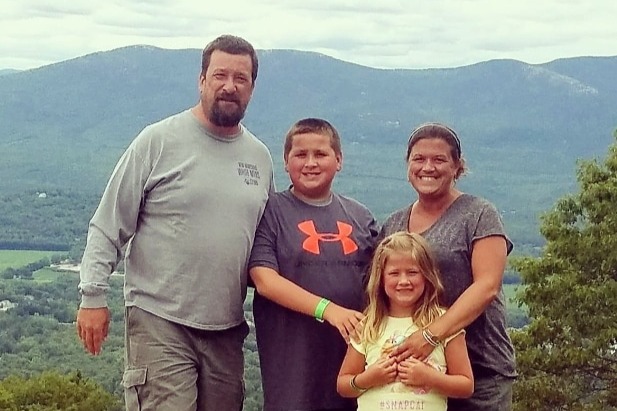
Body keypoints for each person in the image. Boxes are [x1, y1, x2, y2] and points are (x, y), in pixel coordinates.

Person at [76, 34, 274, 411]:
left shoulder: (259, 158)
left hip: (227, 328)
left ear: (252, 87)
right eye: (219, 75)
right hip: (160, 319)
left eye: (240, 78)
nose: (229, 86)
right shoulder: (158, 141)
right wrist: (92, 296)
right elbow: (108, 223)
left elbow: (268, 245)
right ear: (201, 80)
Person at [379, 122, 516, 410]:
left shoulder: (479, 214)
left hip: (480, 370)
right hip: (413, 375)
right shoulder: (393, 224)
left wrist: (430, 335)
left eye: (439, 159)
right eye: (419, 159)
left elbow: (487, 286)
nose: (428, 167)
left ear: (457, 167)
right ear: (408, 164)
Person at [248, 117, 380, 411]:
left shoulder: (361, 216)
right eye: (300, 154)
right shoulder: (269, 211)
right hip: (293, 369)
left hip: (354, 366)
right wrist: (328, 310)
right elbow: (265, 280)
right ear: (286, 162)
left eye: (320, 154)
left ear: (339, 160)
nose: (310, 163)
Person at [337, 231, 473, 410]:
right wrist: (368, 378)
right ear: (381, 279)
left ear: (427, 276)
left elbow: (466, 386)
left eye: (412, 272)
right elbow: (343, 385)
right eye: (394, 273)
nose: (404, 281)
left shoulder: (444, 324)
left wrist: (430, 378)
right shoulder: (368, 325)